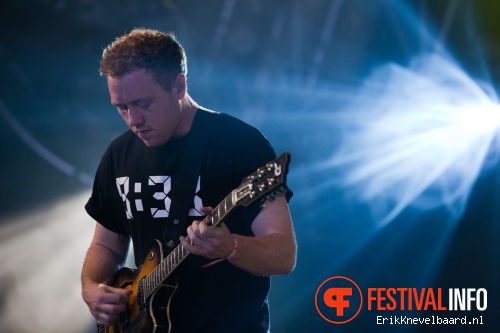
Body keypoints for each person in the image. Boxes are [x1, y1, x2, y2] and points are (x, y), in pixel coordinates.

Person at [81, 28, 296, 333]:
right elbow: (106, 244)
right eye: (122, 107)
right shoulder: (119, 154)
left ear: (179, 85)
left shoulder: (240, 144)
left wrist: (230, 246)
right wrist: (91, 288)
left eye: (143, 103)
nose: (133, 120)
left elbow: (283, 256)